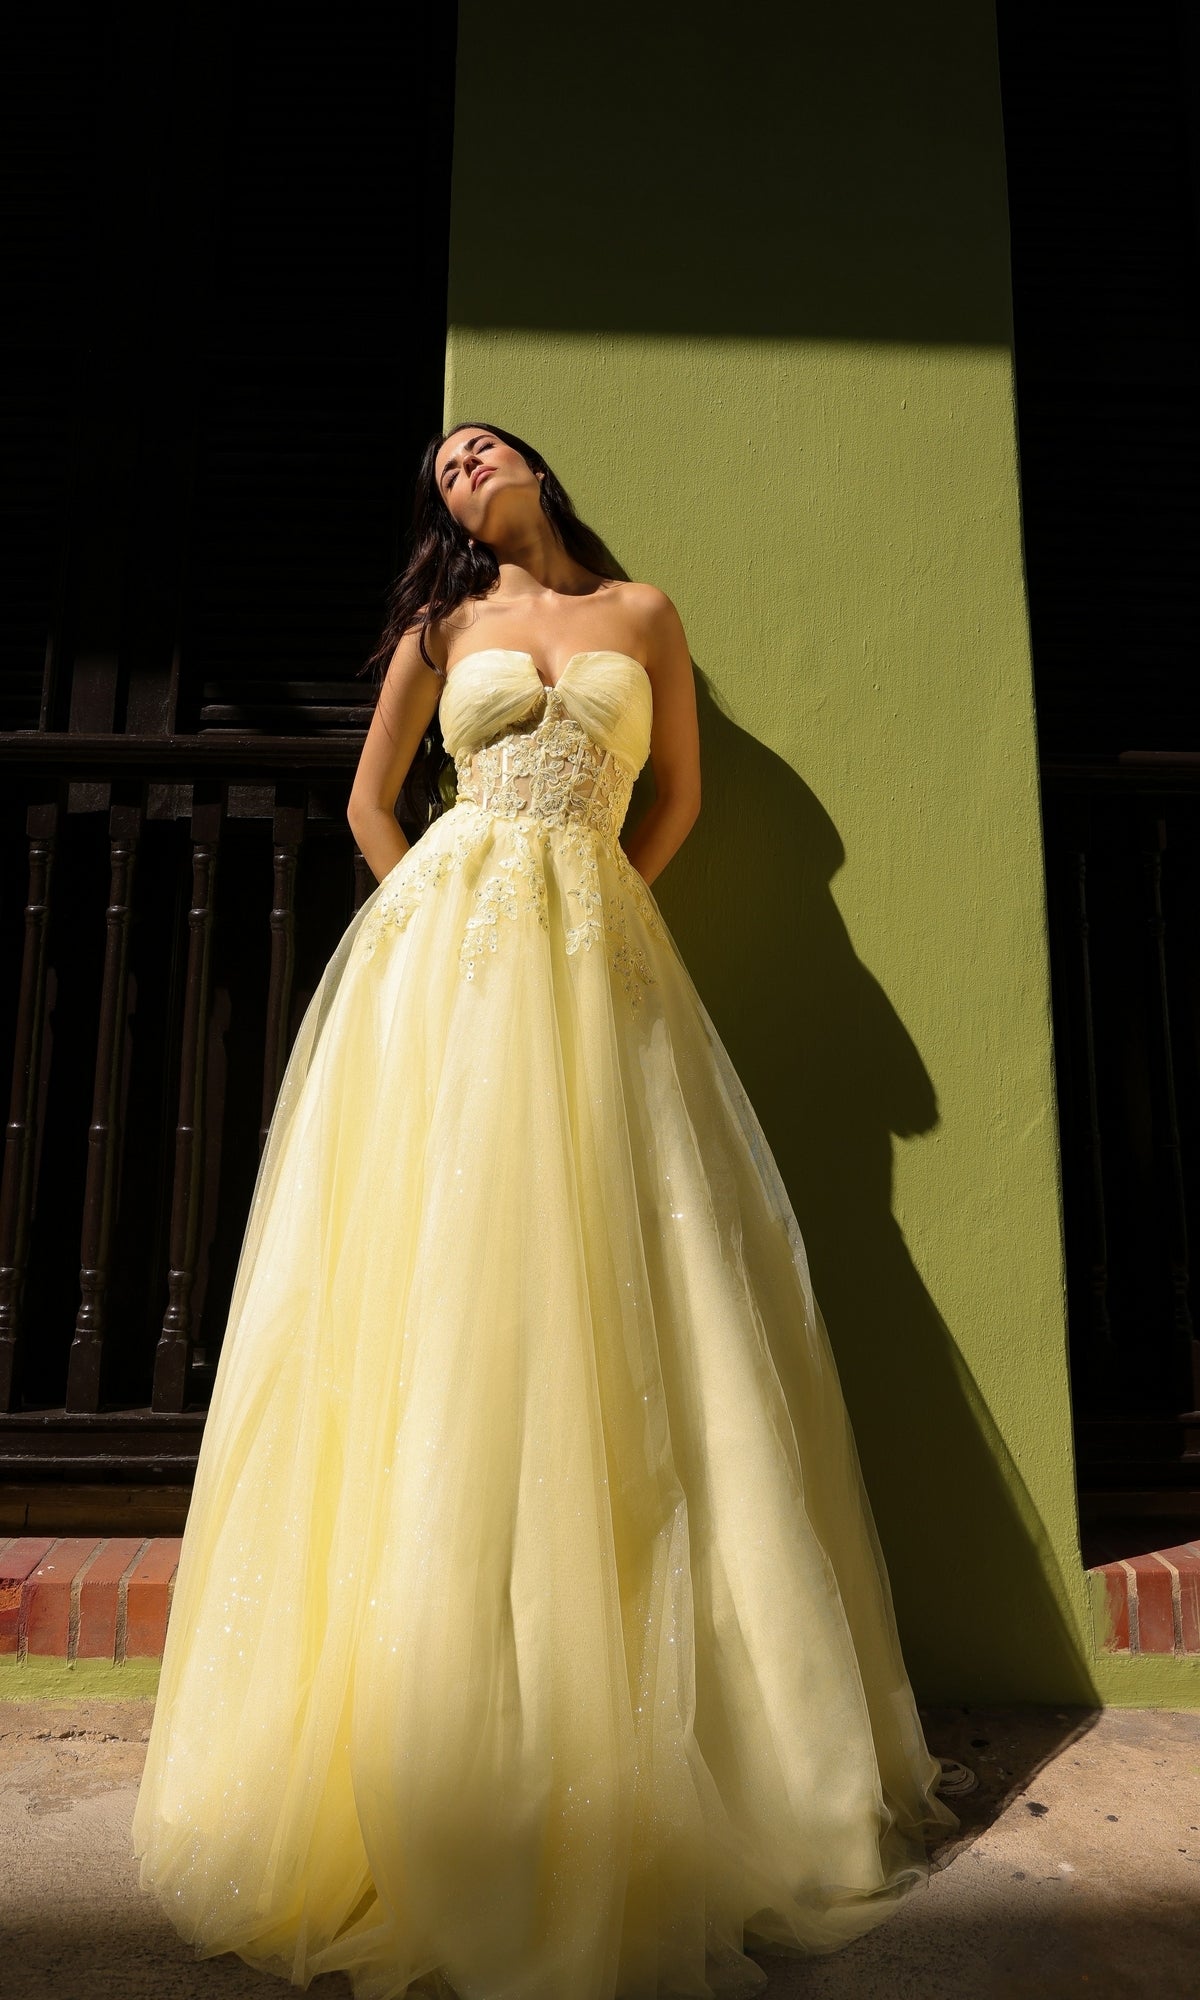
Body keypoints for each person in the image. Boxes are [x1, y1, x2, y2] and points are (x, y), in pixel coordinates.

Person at [132, 422, 961, 1999]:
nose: (462, 466)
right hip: (454, 949)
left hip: (599, 945)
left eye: (481, 446)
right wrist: (428, 911)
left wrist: (606, 900)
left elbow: (681, 797)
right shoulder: (440, 627)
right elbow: (371, 800)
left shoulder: (643, 615)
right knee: (442, 1268)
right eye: (442, 466)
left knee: (634, 1275)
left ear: (536, 469)